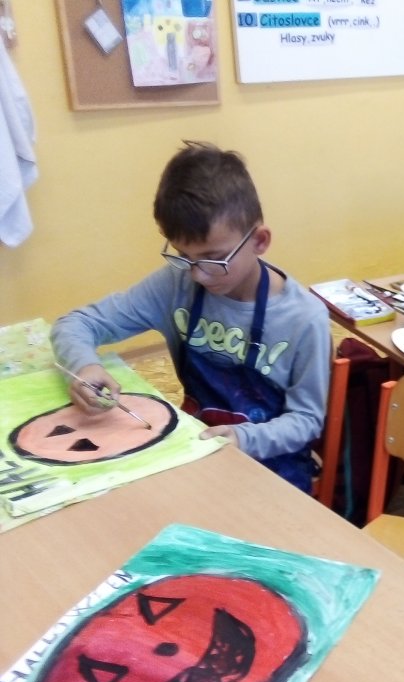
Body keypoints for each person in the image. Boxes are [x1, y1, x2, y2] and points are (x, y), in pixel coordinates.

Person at [51, 141, 332, 493]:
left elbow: (306, 421)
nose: (198, 274)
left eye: (214, 259)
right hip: (195, 449)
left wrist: (244, 439)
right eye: (184, 256)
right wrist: (85, 366)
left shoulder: (304, 319)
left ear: (259, 241)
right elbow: (75, 323)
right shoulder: (176, 283)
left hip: (273, 469)